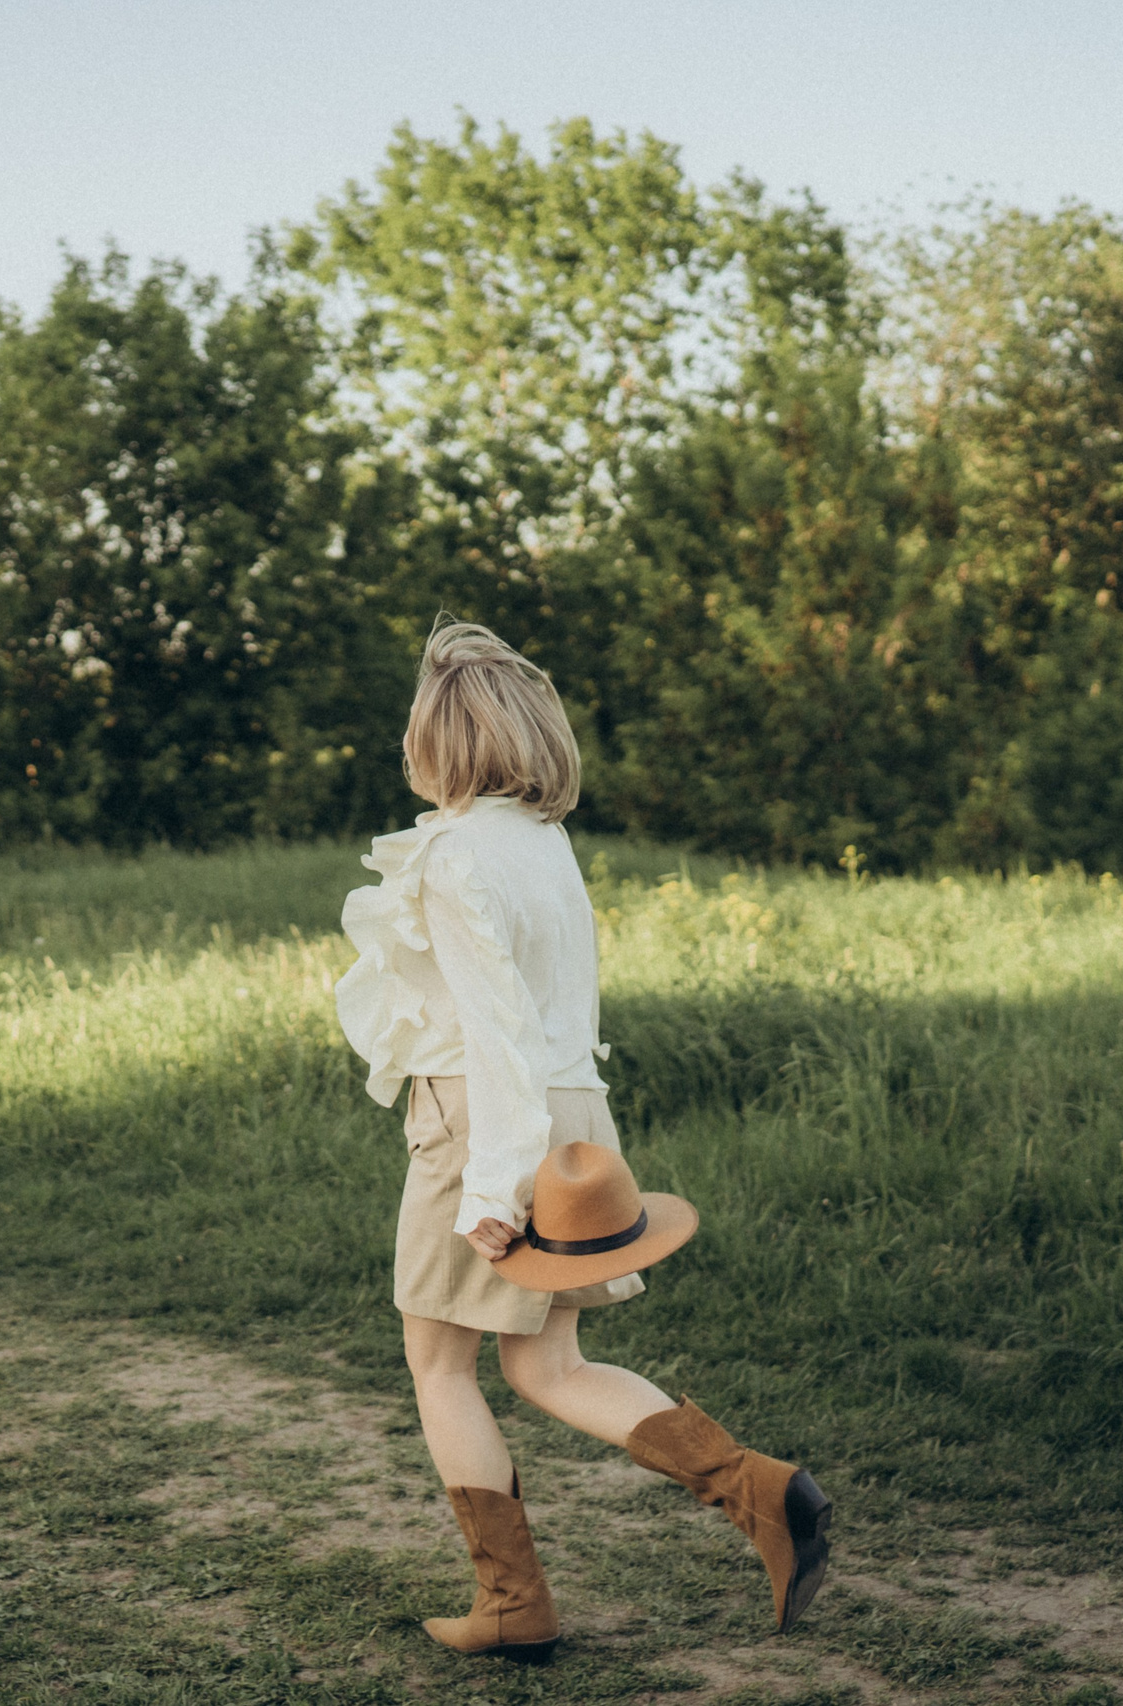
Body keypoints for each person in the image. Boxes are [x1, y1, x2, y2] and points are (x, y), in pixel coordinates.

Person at [335, 621, 831, 1662]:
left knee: (439, 1364)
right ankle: (759, 1487)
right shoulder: (542, 844)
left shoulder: (452, 854)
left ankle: (513, 1604)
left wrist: (488, 1186)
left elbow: (494, 1026)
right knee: (548, 1363)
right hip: (572, 1117)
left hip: (489, 1115)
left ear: (439, 739)